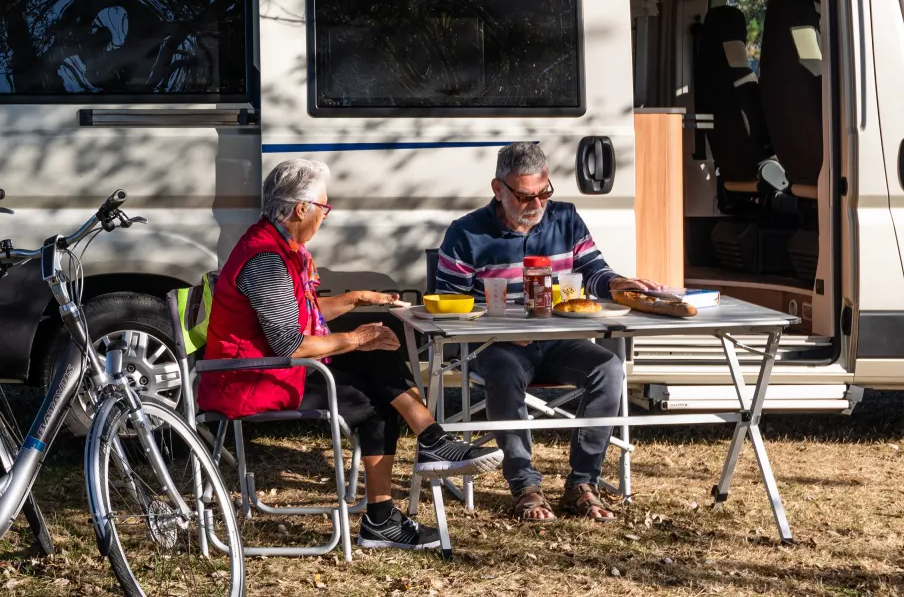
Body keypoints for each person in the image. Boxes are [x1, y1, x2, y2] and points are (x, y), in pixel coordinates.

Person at [198, 158, 503, 550]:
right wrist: (355, 339)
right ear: (300, 209)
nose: (326, 216)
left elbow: (298, 314)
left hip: (271, 369)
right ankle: (388, 509)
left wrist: (355, 300)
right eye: (324, 208)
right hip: (250, 379)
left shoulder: (278, 245)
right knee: (374, 390)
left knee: (377, 347)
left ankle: (429, 441)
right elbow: (291, 342)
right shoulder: (267, 261)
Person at [435, 142, 664, 523]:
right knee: (505, 371)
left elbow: (594, 272)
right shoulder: (466, 233)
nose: (537, 204)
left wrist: (622, 284)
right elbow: (449, 307)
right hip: (495, 346)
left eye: (544, 193)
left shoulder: (566, 218)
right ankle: (524, 485)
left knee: (608, 368)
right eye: (525, 196)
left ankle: (583, 483)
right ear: (498, 189)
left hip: (557, 339)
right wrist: (501, 330)